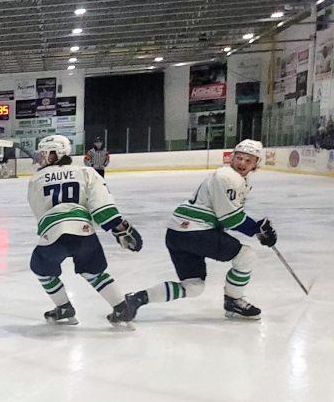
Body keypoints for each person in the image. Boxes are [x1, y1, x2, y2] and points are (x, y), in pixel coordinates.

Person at [117, 139, 275, 321]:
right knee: (246, 256)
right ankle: (234, 302)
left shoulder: (236, 178)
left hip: (177, 233)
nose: (242, 163)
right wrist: (257, 229)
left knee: (193, 287)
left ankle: (137, 299)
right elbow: (230, 218)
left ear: (255, 164)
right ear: (232, 158)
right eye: (239, 158)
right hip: (194, 232)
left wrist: (257, 229)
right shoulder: (228, 176)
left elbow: (227, 214)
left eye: (248, 160)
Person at [25, 134, 142, 325]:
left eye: (45, 154)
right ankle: (122, 308)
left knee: (41, 267)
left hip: (54, 233)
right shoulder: (86, 172)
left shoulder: (36, 179)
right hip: (84, 232)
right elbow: (101, 205)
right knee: (94, 272)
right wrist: (119, 228)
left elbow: (40, 212)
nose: (41, 158)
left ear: (55, 154)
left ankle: (64, 307)